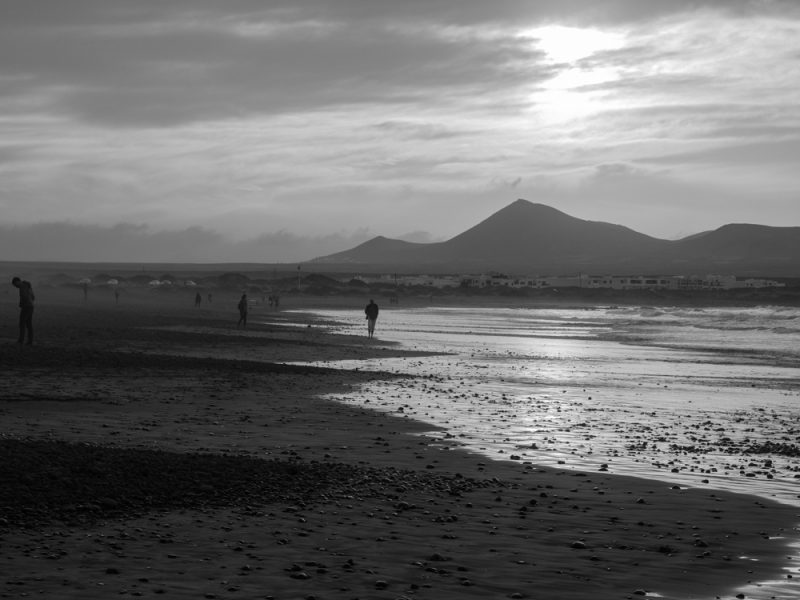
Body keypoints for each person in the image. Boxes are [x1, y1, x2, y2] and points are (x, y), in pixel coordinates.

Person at [11, 276, 35, 345]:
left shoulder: (22, 286)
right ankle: (30, 341)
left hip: (26, 306)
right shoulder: (28, 285)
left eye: (15, 285)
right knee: (29, 324)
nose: (15, 287)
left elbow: (24, 297)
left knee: (22, 323)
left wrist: (21, 304)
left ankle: (21, 340)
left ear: (17, 281)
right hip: (31, 306)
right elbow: (33, 297)